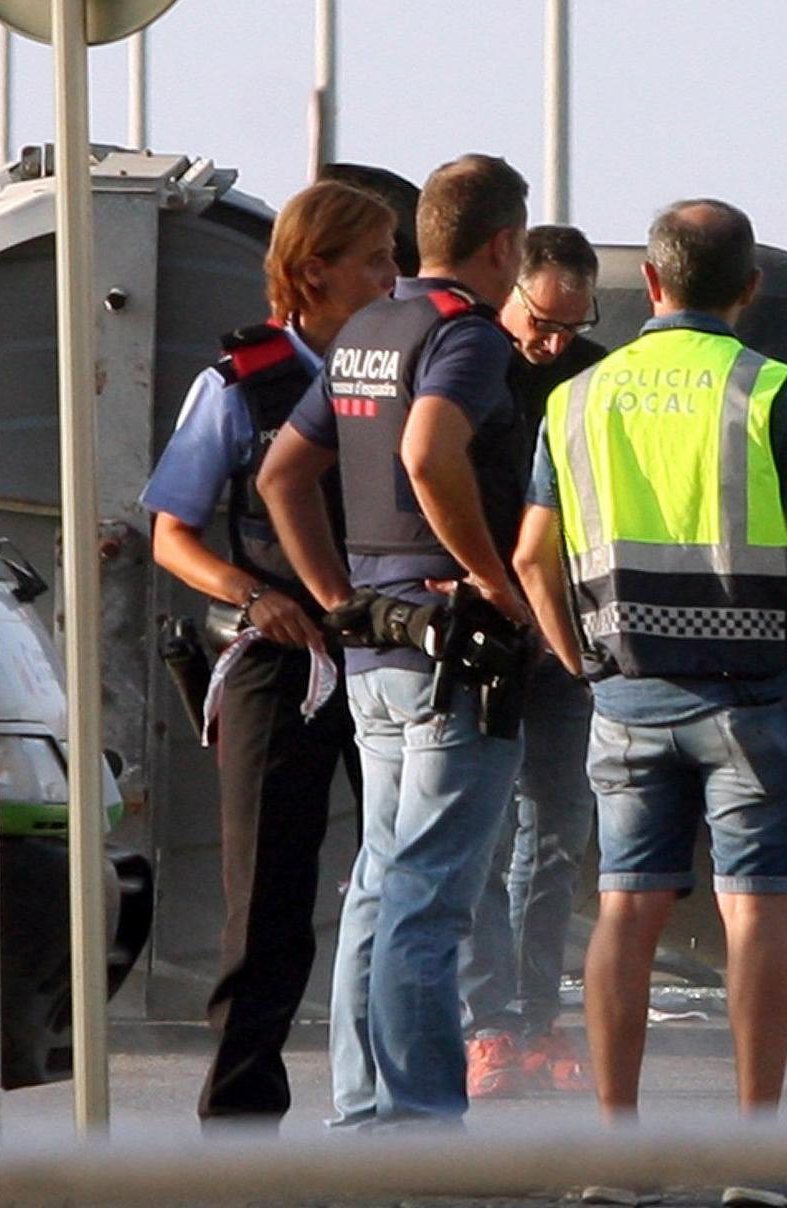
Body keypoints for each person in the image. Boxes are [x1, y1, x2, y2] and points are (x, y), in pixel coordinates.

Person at [515, 199, 787, 1208]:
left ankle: (615, 1157)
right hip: (758, 695)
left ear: (653, 285)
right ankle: (757, 1158)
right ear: (749, 290)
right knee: (756, 914)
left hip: (627, 693)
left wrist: (577, 657)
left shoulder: (578, 396)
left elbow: (532, 555)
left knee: (625, 908)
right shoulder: (770, 392)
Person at [257, 153, 534, 1128]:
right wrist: (497, 582)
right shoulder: (466, 334)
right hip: (450, 657)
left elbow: (284, 474)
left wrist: (337, 592)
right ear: (503, 245)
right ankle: (420, 1126)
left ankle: (367, 1112)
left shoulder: (368, 328)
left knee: (379, 882)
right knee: (429, 894)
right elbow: (428, 450)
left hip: (374, 647)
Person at [139, 179, 397, 1128]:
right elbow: (172, 532)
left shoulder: (401, 370)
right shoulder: (237, 384)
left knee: (403, 880)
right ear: (313, 271)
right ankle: (240, 1118)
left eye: (395, 257)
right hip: (275, 662)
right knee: (271, 901)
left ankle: (390, 1103)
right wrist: (255, 594)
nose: (392, 276)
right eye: (374, 259)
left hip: (387, 654)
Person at [459, 226, 608, 1098]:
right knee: (482, 833)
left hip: (565, 630)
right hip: (483, 623)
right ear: (508, 289)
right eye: (539, 322)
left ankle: (539, 1012)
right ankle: (490, 1025)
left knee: (558, 829)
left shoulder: (593, 373)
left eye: (568, 327)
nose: (550, 343)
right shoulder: (470, 358)